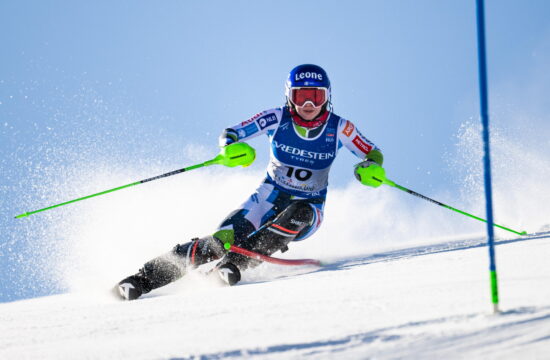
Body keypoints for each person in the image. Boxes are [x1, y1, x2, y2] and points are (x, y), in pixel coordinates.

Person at [115, 64, 386, 300]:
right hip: (267, 198)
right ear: (289, 96)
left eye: (316, 97)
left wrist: (371, 167)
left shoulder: (340, 128)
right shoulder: (277, 118)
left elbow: (372, 151)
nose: (308, 105)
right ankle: (140, 281)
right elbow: (232, 133)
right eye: (301, 96)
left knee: (298, 213)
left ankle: (234, 264)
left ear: (327, 97)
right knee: (221, 241)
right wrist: (229, 149)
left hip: (310, 206)